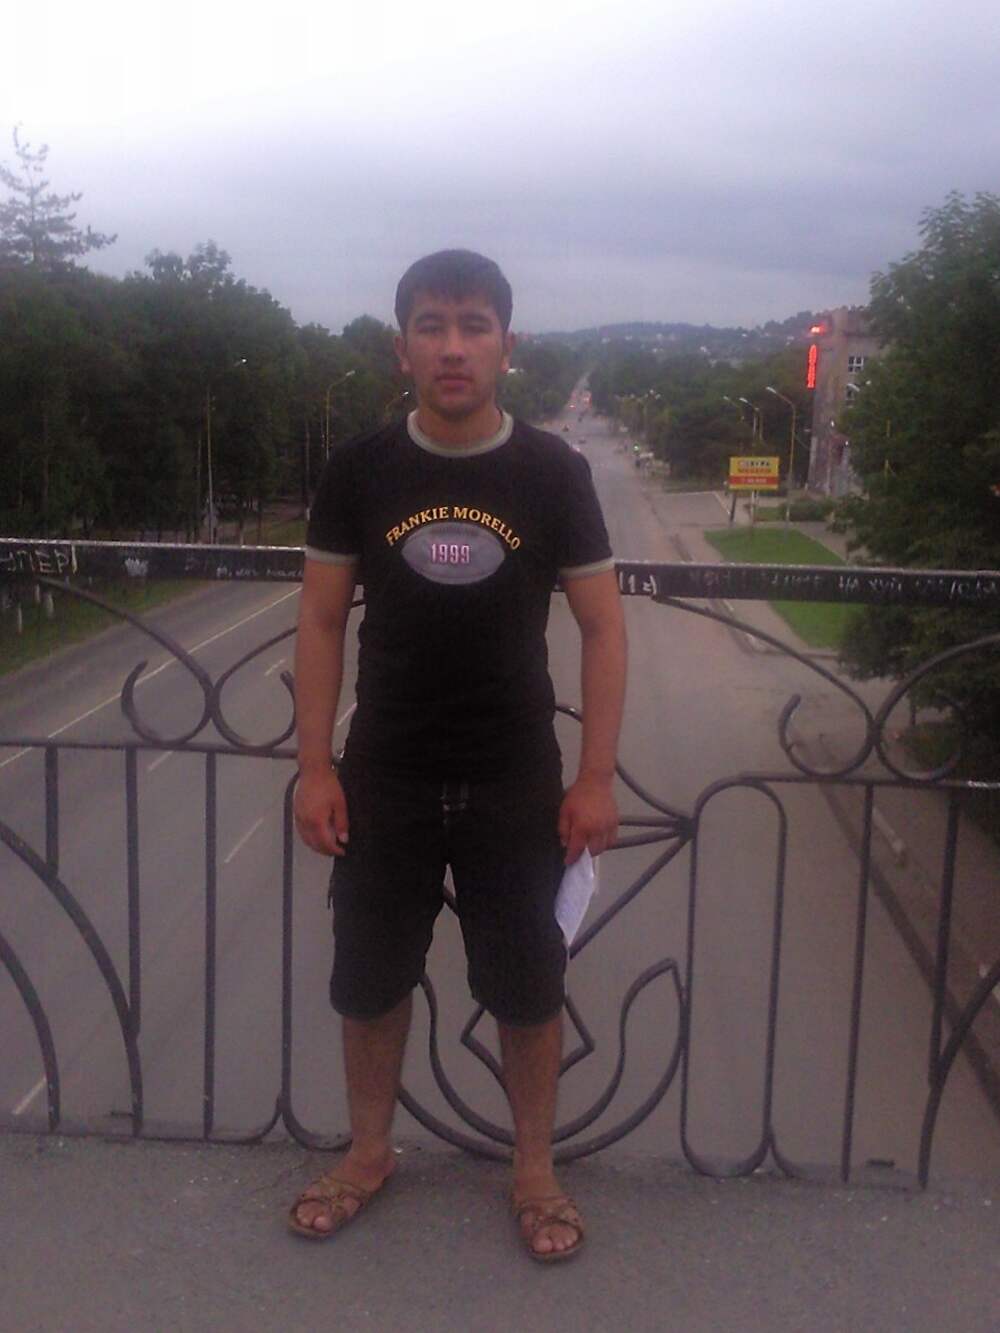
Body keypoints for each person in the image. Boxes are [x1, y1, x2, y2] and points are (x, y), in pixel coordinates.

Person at [289, 249, 627, 1261]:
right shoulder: (359, 469)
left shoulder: (552, 472)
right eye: (430, 326)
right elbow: (319, 622)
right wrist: (315, 766)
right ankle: (368, 1154)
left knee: (527, 985)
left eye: (473, 326)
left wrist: (596, 777)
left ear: (505, 346)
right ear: (402, 348)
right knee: (369, 979)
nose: (451, 346)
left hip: (514, 774)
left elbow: (603, 628)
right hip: (383, 771)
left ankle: (535, 1172)